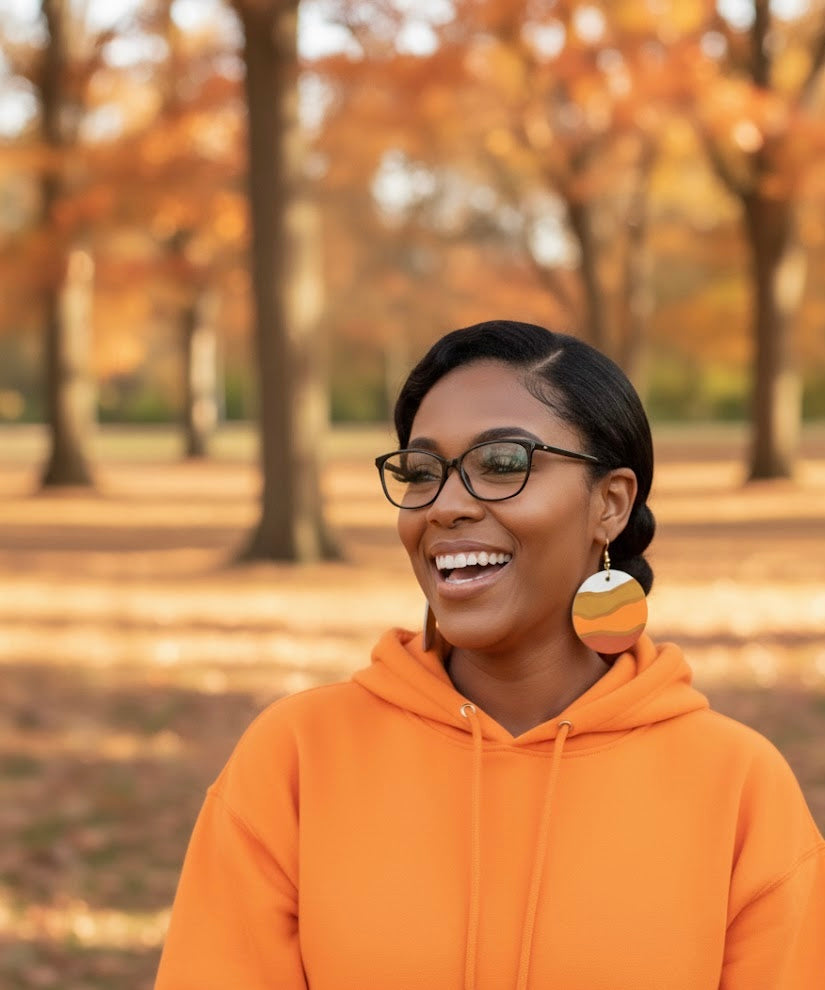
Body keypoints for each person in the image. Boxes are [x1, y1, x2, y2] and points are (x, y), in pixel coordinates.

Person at [154, 321, 825, 989]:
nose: (444, 505)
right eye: (421, 473)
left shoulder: (737, 787)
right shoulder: (296, 758)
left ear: (610, 505)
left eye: (501, 465)